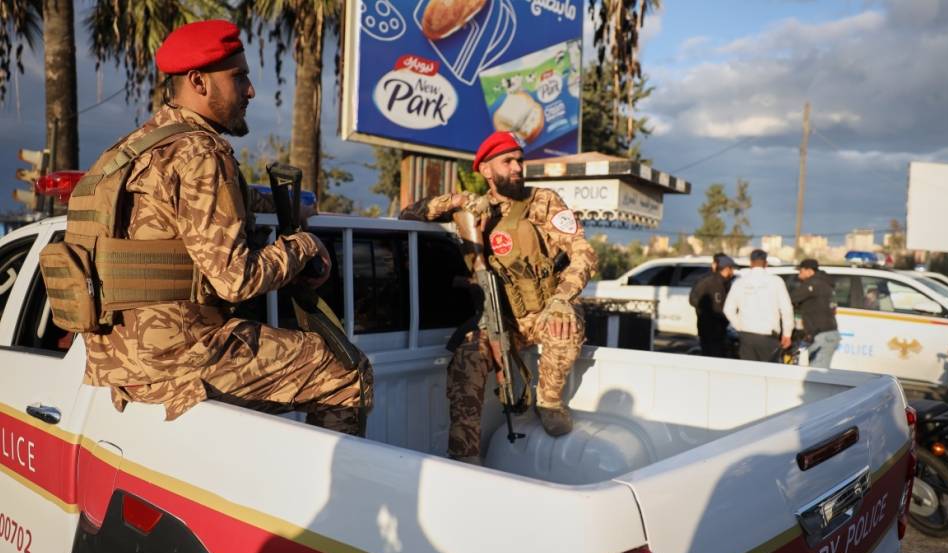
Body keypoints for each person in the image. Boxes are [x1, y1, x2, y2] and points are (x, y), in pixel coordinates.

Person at [79, 20, 371, 434]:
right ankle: (328, 497)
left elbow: (203, 207)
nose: (250, 90)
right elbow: (235, 280)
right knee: (347, 370)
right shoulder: (201, 151)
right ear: (198, 82)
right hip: (181, 358)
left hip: (119, 362)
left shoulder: (133, 149)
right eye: (239, 77)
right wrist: (303, 245)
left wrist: (286, 205)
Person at [401, 131, 597, 462]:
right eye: (508, 161)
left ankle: (548, 401)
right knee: (466, 358)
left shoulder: (543, 201)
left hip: (545, 310)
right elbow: (409, 214)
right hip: (500, 318)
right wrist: (459, 201)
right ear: (487, 171)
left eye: (520, 160)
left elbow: (583, 253)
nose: (518, 167)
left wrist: (563, 298)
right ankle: (465, 457)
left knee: (565, 323)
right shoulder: (477, 210)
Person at [723, 249, 794, 362]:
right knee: (768, 373)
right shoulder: (776, 281)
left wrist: (739, 327)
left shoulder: (740, 282)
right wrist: (787, 334)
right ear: (766, 263)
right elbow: (786, 309)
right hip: (769, 337)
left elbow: (728, 309)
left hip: (746, 336)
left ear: (751, 263)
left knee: (749, 373)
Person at [790, 259, 841, 368]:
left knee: (817, 375)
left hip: (822, 335)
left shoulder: (813, 283)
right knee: (817, 372)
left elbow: (791, 299)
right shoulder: (825, 283)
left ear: (809, 271)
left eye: (801, 271)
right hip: (827, 334)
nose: (799, 274)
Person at [688, 254, 736, 357]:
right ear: (727, 268)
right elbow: (693, 300)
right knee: (711, 355)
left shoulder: (726, 283)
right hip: (709, 327)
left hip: (720, 329)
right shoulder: (708, 281)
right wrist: (708, 310)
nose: (733, 272)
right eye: (732, 269)